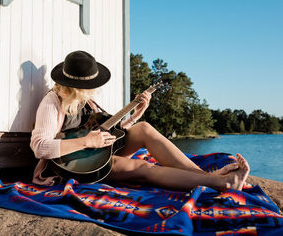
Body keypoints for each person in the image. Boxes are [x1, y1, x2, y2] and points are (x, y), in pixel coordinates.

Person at [30, 50, 250, 191]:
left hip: (100, 149)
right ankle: (223, 183)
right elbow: (40, 147)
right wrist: (88, 142)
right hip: (79, 163)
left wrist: (135, 116)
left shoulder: (86, 100)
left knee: (143, 127)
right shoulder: (52, 102)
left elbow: (108, 132)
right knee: (145, 168)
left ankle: (204, 177)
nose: (94, 89)